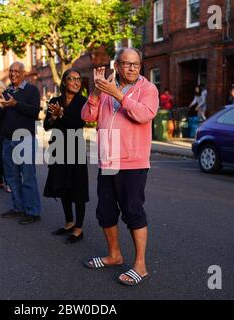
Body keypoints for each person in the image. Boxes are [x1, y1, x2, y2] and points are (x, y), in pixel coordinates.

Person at [81, 48, 159, 286]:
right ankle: (114, 255)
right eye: (127, 64)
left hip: (132, 162)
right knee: (105, 212)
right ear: (117, 65)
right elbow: (87, 116)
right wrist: (96, 91)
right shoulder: (106, 88)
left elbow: (144, 114)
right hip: (108, 160)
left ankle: (141, 266)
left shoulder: (148, 89)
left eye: (136, 64)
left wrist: (117, 94)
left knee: (133, 212)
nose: (132, 68)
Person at [43, 69, 89, 244]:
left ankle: (78, 228)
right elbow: (46, 125)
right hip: (58, 148)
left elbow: (78, 123)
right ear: (64, 82)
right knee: (62, 187)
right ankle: (69, 222)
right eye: (72, 79)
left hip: (76, 149)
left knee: (78, 188)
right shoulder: (55, 101)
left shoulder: (83, 102)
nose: (77, 82)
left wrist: (61, 115)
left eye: (79, 79)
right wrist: (54, 117)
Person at [0, 62, 42, 225]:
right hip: (8, 141)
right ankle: (18, 207)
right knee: (11, 177)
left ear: (23, 73)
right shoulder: (7, 91)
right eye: (11, 71)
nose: (13, 74)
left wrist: (15, 104)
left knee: (27, 177)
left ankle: (33, 211)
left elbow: (35, 112)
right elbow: (0, 117)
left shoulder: (31, 90)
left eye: (16, 71)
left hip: (25, 140)